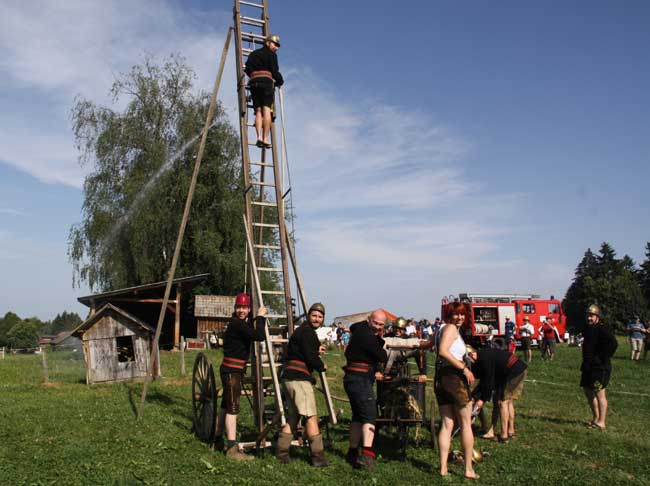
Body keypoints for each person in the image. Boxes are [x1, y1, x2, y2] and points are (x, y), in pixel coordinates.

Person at [215, 293, 266, 460]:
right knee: (233, 408)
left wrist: (254, 318)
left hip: (232, 369)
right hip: (232, 370)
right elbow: (259, 336)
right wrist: (260, 317)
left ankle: (217, 440)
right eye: (239, 307)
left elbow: (250, 331)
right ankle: (231, 448)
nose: (241, 310)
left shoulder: (239, 324)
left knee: (225, 405)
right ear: (235, 309)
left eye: (244, 307)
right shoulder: (237, 324)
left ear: (248, 309)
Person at [276, 303, 328, 467]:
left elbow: (305, 352)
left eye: (320, 317)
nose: (317, 319)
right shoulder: (307, 332)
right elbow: (309, 357)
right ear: (308, 316)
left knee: (294, 416)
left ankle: (282, 452)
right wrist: (321, 365)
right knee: (311, 416)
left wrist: (315, 351)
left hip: (289, 377)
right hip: (299, 379)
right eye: (314, 315)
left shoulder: (303, 332)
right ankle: (317, 457)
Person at [435, 302, 478, 480]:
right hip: (454, 379)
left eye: (462, 314)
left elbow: (431, 345)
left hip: (441, 378)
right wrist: (464, 368)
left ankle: (443, 468)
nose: (459, 318)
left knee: (447, 424)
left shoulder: (441, 329)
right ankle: (468, 469)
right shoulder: (451, 329)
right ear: (449, 315)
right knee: (466, 424)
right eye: (455, 314)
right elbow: (443, 351)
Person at [343, 309, 389, 470]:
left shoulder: (359, 329)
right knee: (370, 415)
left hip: (352, 378)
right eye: (375, 323)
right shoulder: (368, 337)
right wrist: (380, 340)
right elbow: (382, 356)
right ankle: (367, 455)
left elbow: (355, 326)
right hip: (360, 379)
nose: (377, 327)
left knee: (357, 416)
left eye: (381, 325)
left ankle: (352, 451)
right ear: (369, 320)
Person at [467, 346, 527, 443]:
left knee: (502, 403)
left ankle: (504, 436)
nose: (470, 363)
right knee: (508, 402)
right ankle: (510, 431)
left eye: (469, 359)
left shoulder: (484, 359)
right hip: (513, 370)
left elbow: (488, 381)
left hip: (514, 372)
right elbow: (485, 380)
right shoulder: (484, 356)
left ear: (472, 354)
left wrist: (482, 399)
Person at [580, 304, 618, 430]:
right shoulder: (587, 328)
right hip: (588, 366)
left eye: (592, 316)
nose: (589, 318)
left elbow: (613, 344)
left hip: (600, 367)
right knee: (588, 391)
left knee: (599, 393)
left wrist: (602, 357)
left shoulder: (602, 329)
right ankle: (595, 418)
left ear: (597, 317)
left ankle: (602, 421)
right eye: (588, 316)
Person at [244, 34, 283, 149]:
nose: (276, 48)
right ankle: (265, 138)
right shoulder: (272, 55)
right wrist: (280, 81)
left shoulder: (253, 54)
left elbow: (247, 69)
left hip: (254, 83)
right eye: (275, 44)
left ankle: (259, 136)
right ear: (268, 43)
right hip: (266, 83)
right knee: (266, 110)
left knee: (258, 111)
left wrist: (254, 76)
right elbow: (275, 72)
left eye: (277, 46)